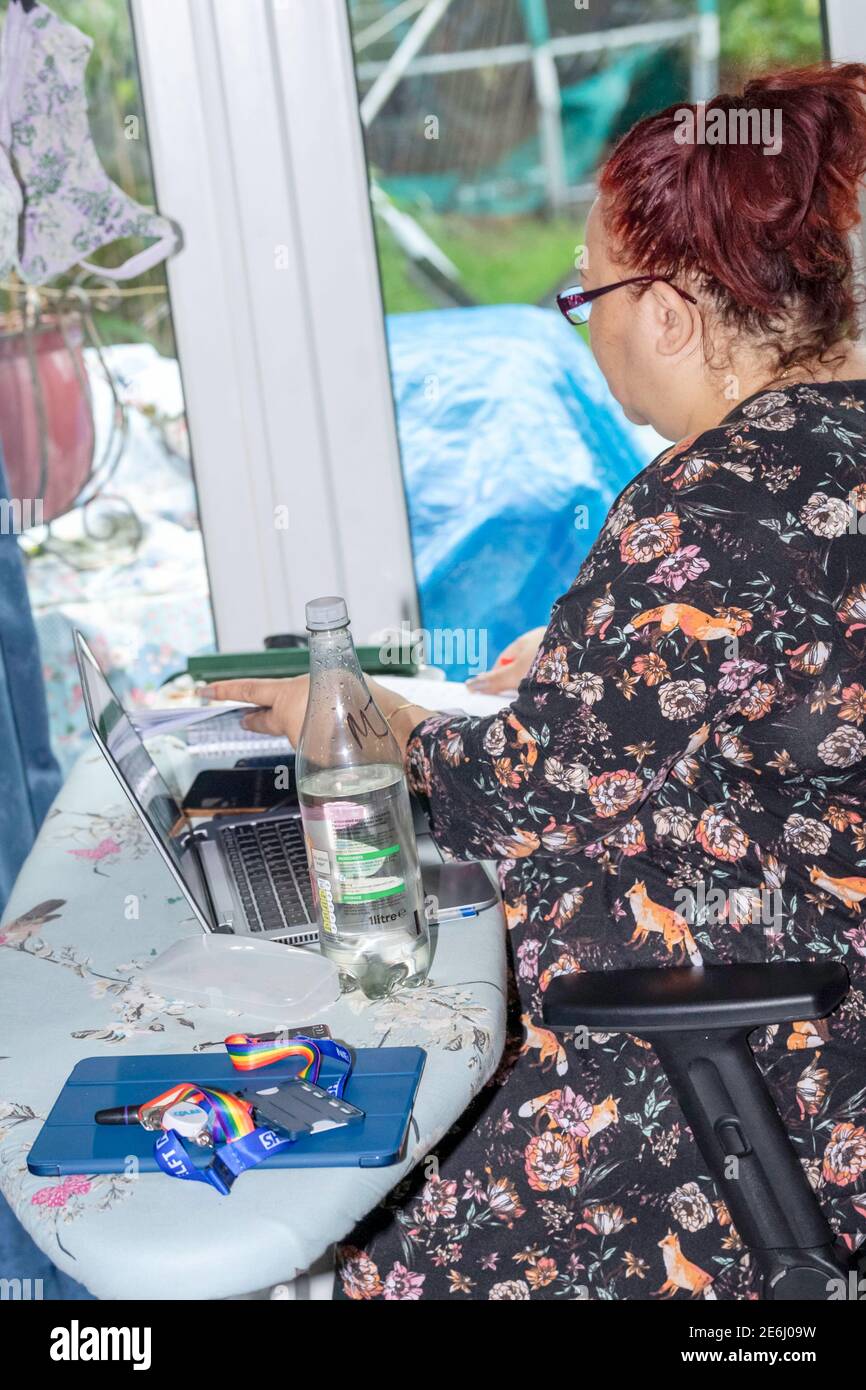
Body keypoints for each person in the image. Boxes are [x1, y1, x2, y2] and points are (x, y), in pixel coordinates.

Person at [205, 64, 866, 1300]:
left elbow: (510, 798)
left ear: (666, 313)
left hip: (752, 1080)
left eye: (586, 294)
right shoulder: (828, 448)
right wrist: (568, 673)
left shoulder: (712, 506)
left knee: (341, 1232)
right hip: (808, 994)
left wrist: (359, 718)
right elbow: (736, 702)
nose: (586, 323)